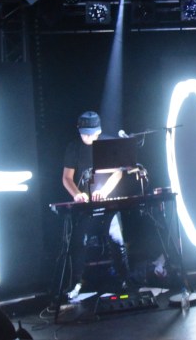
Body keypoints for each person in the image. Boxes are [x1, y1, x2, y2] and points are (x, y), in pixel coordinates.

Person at [61, 111, 132, 299]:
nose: (87, 137)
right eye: (84, 134)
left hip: (108, 203)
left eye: (91, 134)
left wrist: (104, 191)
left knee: (117, 240)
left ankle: (125, 279)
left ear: (98, 131)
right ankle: (75, 282)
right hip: (85, 206)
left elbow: (118, 172)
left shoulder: (107, 143)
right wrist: (77, 194)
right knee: (79, 242)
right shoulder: (74, 148)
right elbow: (67, 178)